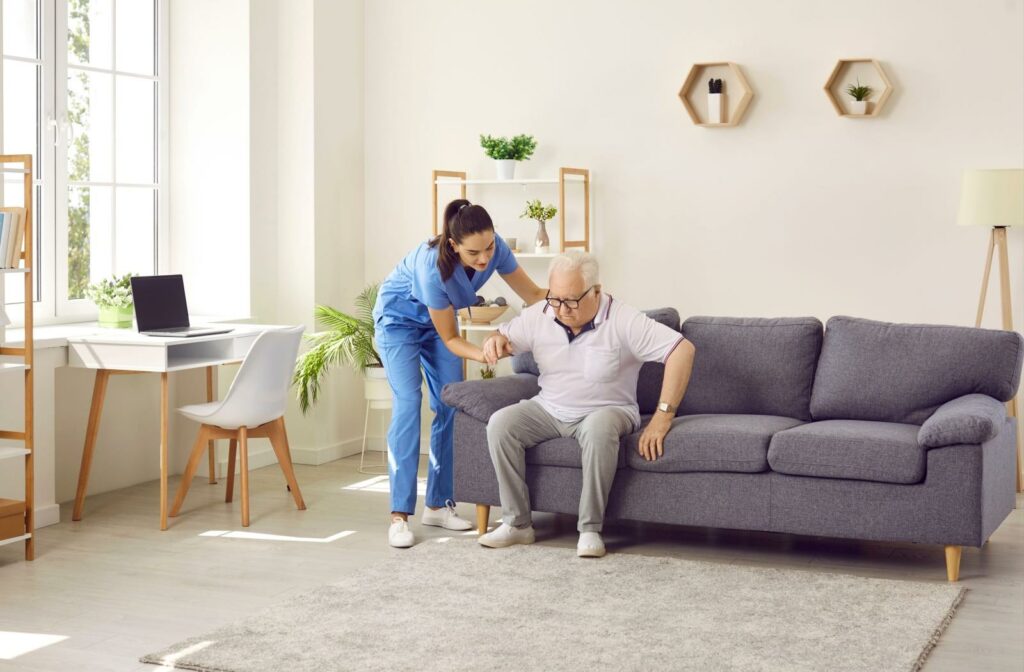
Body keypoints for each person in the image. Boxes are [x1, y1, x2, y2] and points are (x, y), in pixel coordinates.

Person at [478, 252, 696, 557]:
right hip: (549, 408)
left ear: (596, 291)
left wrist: (662, 417)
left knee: (597, 428)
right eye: (555, 299)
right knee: (501, 424)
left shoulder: (623, 319)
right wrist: (494, 339)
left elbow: (681, 350)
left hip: (609, 410)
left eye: (571, 301)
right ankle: (518, 524)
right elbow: (502, 335)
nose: (562, 309)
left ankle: (590, 529)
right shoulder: (543, 313)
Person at [373, 199, 547, 548]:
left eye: (489, 247)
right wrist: (486, 352)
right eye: (473, 253)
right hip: (399, 324)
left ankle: (437, 505)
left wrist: (576, 296)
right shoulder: (430, 269)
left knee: (450, 405)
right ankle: (399, 517)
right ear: (453, 246)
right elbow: (452, 339)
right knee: (409, 403)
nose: (484, 259)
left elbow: (534, 294)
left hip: (438, 324)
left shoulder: (493, 249)